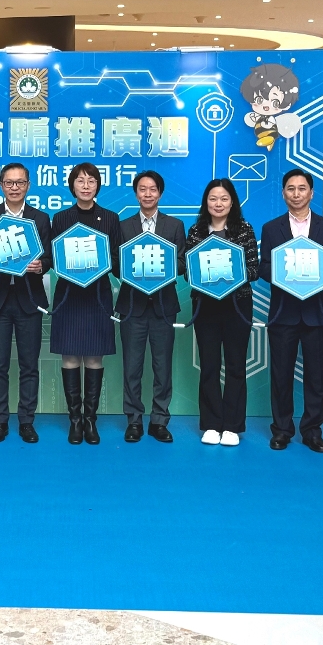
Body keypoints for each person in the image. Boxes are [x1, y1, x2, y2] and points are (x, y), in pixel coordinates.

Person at [260, 168, 323, 453]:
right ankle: (281, 430)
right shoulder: (271, 228)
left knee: (316, 376)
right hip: (283, 313)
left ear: (311, 193)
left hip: (316, 313)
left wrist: (314, 277)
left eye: (301, 189)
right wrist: (288, 275)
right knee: (281, 376)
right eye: (290, 189)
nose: (296, 194)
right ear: (283, 193)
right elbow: (264, 267)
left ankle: (312, 431)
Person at [0, 163, 52, 444]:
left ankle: (27, 421)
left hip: (29, 299)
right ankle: (0, 421)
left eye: (20, 182)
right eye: (9, 182)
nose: (15, 187)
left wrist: (40, 266)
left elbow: (49, 257)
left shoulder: (40, 218)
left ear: (28, 185)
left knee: (29, 365)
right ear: (1, 185)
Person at [50, 162, 121, 445]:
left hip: (98, 296)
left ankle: (90, 420)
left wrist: (98, 263)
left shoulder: (111, 218)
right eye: (80, 180)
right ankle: (75, 421)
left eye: (91, 180)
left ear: (98, 185)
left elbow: (116, 257)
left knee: (94, 357)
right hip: (69, 295)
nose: (86, 185)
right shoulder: (61, 218)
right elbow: (54, 258)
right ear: (72, 186)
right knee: (70, 357)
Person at [184, 178, 259, 446]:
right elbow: (188, 271)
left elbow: (253, 269)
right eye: (213, 198)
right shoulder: (196, 231)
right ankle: (212, 424)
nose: (218, 203)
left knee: (236, 365)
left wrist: (227, 274)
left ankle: (232, 426)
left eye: (224, 199)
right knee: (209, 365)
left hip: (237, 305)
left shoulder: (244, 229)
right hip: (205, 306)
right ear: (206, 202)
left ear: (232, 202)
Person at [116, 170, 187, 443]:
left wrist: (158, 268)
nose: (147, 194)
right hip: (132, 306)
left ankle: (159, 420)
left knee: (162, 367)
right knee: (132, 367)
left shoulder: (174, 225)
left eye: (153, 189)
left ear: (160, 193)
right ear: (136, 194)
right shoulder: (124, 226)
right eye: (142, 189)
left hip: (163, 306)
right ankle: (134, 420)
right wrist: (137, 269)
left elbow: (181, 263)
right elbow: (116, 264)